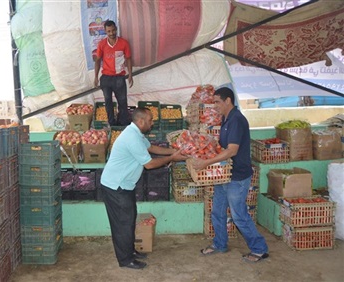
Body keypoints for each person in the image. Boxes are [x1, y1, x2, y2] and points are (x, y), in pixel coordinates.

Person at [100, 107, 188, 269]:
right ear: (140, 121)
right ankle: (125, 260)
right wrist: (172, 158)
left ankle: (130, 251)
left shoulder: (136, 133)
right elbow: (149, 164)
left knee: (129, 220)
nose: (152, 123)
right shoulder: (131, 137)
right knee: (122, 224)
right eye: (150, 120)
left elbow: (152, 148)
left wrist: (175, 151)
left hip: (124, 185)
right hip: (116, 186)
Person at [193, 87, 269, 263]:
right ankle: (220, 243)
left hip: (238, 177)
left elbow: (232, 151)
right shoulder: (226, 119)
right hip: (224, 175)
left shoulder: (236, 120)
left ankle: (259, 249)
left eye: (218, 102)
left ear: (228, 101)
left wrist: (206, 162)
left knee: (238, 215)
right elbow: (223, 147)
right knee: (217, 211)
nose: (215, 106)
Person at [94, 20, 133, 126]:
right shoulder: (102, 44)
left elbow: (128, 58)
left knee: (123, 102)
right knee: (108, 102)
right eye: (109, 31)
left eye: (113, 30)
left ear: (116, 29)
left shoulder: (124, 43)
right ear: (105, 32)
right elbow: (97, 60)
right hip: (106, 78)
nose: (111, 33)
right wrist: (96, 77)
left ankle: (123, 123)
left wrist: (130, 74)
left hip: (119, 77)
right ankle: (112, 124)